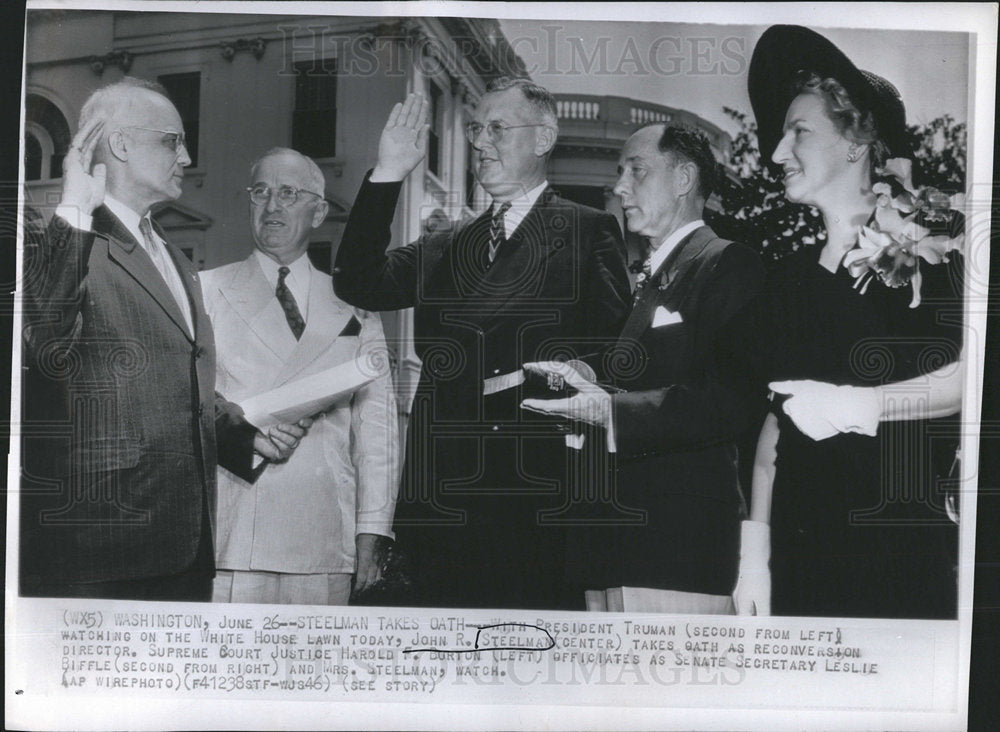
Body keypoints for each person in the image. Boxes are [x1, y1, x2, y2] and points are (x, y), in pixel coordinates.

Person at [333, 80, 631, 609]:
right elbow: (357, 280)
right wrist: (388, 174)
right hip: (439, 509)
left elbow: (615, 359)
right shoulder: (449, 242)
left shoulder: (588, 231)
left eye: (497, 128)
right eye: (475, 129)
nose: (479, 142)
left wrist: (551, 375)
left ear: (543, 138)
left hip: (531, 510)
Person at [20, 77, 307, 602]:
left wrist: (240, 435)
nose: (187, 154)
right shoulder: (62, 237)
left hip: (184, 542)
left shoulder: (172, 256)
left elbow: (173, 374)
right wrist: (75, 211)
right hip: (100, 549)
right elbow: (44, 341)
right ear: (123, 144)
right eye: (172, 140)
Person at [732, 25, 964, 619]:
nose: (778, 152)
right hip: (799, 556)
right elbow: (771, 425)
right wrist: (753, 555)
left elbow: (973, 377)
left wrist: (858, 406)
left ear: (857, 141)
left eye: (798, 132)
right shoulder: (782, 280)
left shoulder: (935, 248)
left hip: (898, 552)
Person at [522, 124, 765, 613]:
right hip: (615, 547)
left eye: (636, 171)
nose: (620, 187)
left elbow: (731, 401)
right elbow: (655, 378)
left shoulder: (728, 263)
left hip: (675, 551)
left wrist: (611, 410)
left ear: (683, 178)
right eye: (619, 174)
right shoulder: (653, 277)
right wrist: (589, 381)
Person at [200, 148, 399, 605]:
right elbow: (188, 399)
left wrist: (372, 528)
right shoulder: (205, 290)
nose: (272, 206)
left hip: (324, 535)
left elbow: (377, 432)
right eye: (261, 192)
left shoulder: (354, 303)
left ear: (319, 211)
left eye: (289, 193)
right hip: (233, 531)